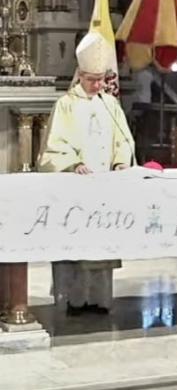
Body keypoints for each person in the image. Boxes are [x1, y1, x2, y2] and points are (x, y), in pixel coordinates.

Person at [38, 31, 135, 316]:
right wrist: (72, 163)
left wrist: (119, 162)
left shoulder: (110, 103)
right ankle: (75, 300)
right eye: (92, 79)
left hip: (105, 185)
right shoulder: (66, 104)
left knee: (101, 243)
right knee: (77, 243)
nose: (97, 85)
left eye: (101, 79)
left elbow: (124, 139)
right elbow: (54, 145)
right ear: (79, 75)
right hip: (76, 187)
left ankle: (100, 299)